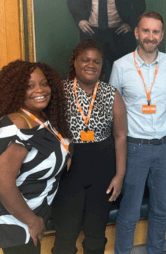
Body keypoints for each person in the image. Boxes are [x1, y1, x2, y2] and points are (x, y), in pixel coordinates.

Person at [0, 60, 72, 254]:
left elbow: (51, 148)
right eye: (29, 86)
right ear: (15, 91)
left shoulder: (39, 117)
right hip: (16, 218)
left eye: (43, 83)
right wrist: (33, 221)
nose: (39, 90)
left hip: (35, 211)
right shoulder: (15, 127)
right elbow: (4, 185)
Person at [110, 11, 166, 254]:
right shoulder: (121, 66)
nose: (151, 36)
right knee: (129, 211)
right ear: (137, 33)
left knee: (161, 210)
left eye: (156, 31)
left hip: (165, 147)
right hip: (135, 148)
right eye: (146, 31)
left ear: (161, 35)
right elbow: (114, 108)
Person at [51, 39, 127, 254]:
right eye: (85, 59)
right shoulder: (58, 91)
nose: (90, 65)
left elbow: (121, 136)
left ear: (102, 66)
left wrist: (119, 176)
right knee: (65, 236)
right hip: (68, 170)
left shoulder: (111, 94)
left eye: (96, 61)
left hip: (103, 171)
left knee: (96, 237)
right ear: (74, 62)